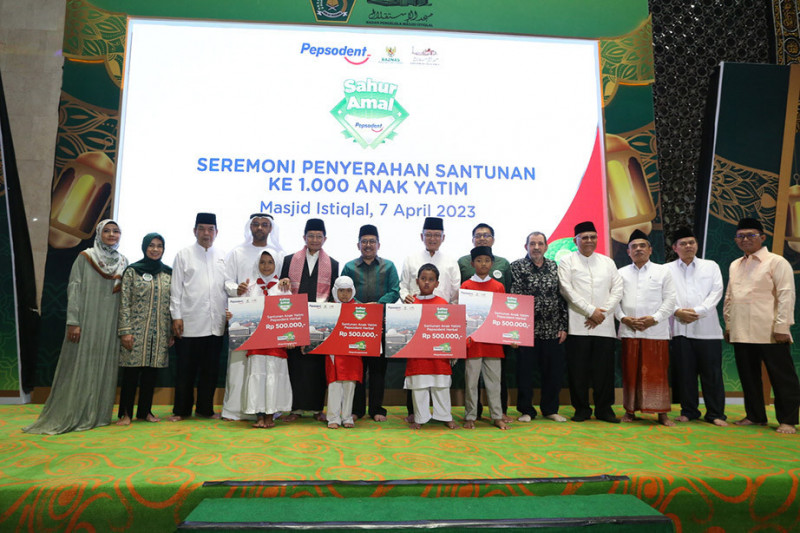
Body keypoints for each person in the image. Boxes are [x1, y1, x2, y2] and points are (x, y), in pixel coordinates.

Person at [24, 219, 128, 434]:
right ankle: (73, 412)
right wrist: (74, 322)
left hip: (109, 323)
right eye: (106, 231)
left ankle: (97, 414)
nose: (111, 235)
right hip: (86, 319)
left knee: (103, 364)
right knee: (80, 364)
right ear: (98, 234)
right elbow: (74, 289)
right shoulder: (86, 257)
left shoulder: (123, 261)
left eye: (115, 231)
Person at [724, 217, 800, 434]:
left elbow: (786, 295)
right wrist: (729, 325)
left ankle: (788, 420)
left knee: (782, 377)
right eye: (741, 236)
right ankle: (755, 416)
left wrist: (782, 326)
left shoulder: (776, 262)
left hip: (769, 330)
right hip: (741, 330)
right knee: (748, 376)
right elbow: (730, 297)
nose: (745, 239)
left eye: (751, 235)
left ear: (762, 237)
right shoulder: (735, 264)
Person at [557, 221, 623, 423]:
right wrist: (589, 311)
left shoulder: (607, 262)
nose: (589, 241)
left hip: (603, 325)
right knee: (578, 371)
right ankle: (582, 409)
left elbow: (617, 289)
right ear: (575, 240)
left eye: (592, 237)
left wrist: (600, 312)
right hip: (578, 325)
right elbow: (566, 290)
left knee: (604, 371)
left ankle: (604, 409)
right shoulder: (567, 261)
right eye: (584, 237)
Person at [221, 213, 284, 421]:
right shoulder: (237, 252)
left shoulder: (280, 254)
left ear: (270, 228)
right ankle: (235, 410)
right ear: (250, 227)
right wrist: (236, 289)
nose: (260, 228)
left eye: (264, 225)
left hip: (270, 329)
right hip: (244, 318)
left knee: (268, 369)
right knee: (238, 366)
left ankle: (267, 409)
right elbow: (227, 281)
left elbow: (282, 286)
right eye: (256, 224)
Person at [168, 212, 227, 422]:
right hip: (190, 323)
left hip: (215, 324)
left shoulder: (222, 256)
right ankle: (181, 410)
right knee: (186, 370)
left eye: (210, 229)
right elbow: (176, 289)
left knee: (210, 371)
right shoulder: (183, 254)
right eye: (202, 229)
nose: (206, 233)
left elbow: (227, 287)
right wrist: (176, 316)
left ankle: (205, 409)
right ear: (194, 231)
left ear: (216, 232)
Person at [279, 218, 339, 421]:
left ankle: (316, 409)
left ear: (325, 239)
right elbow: (281, 291)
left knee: (317, 365)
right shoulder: (289, 260)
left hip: (320, 321)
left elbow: (335, 295)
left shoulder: (333, 264)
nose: (314, 239)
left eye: (318, 236)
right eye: (311, 236)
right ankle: (295, 409)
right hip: (295, 319)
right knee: (295, 364)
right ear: (304, 237)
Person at [667, 227, 727, 426]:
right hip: (679, 329)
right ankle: (689, 411)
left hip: (707, 330)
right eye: (683, 244)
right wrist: (677, 311)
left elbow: (717, 292)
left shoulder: (711, 266)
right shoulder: (666, 270)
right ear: (675, 248)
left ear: (697, 245)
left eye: (691, 242)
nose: (688, 246)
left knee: (712, 375)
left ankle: (716, 413)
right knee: (685, 374)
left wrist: (697, 311)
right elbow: (663, 296)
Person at [616, 229, 676, 426]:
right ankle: (630, 411)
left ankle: (662, 413)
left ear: (650, 250)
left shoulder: (663, 271)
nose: (638, 249)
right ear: (628, 252)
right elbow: (613, 301)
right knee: (630, 372)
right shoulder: (621, 273)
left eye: (642, 246)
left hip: (656, 332)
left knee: (657, 374)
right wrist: (624, 318)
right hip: (629, 331)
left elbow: (670, 300)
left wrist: (655, 318)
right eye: (634, 247)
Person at [341, 224, 400, 422]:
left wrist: (376, 305)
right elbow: (343, 291)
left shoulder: (389, 266)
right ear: (358, 244)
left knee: (377, 370)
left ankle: (376, 409)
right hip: (356, 325)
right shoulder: (349, 267)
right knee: (357, 369)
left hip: (381, 324)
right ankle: (356, 409)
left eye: (372, 242)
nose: (368, 245)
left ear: (378, 244)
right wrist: (361, 307)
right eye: (364, 241)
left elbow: (395, 291)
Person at [510, 232, 569, 423]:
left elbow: (561, 297)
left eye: (540, 244)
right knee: (525, 372)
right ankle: (526, 410)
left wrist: (563, 325)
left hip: (552, 329)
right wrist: (515, 332)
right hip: (526, 330)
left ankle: (550, 409)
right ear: (525, 246)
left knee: (553, 372)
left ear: (546, 247)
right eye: (532, 243)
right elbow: (514, 299)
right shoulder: (517, 267)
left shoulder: (553, 266)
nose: (536, 247)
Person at [116, 233, 172, 426]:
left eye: (159, 246)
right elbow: (124, 302)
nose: (155, 249)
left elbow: (172, 304)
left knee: (151, 375)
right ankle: (125, 414)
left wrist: (171, 331)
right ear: (144, 247)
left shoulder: (168, 273)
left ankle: (145, 412)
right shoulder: (133, 271)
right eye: (151, 246)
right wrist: (125, 330)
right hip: (135, 332)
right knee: (130, 375)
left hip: (159, 332)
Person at [457, 223, 512, 419]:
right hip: (473, 342)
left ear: (492, 263)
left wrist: (510, 336)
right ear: (472, 263)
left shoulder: (498, 286)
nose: (483, 264)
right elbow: (463, 315)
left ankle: (497, 415)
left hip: (494, 342)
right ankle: (471, 416)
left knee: (494, 381)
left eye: (487, 260)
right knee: (471, 382)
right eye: (479, 260)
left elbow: (505, 315)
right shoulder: (466, 285)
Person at [237, 250, 293, 428]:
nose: (266, 266)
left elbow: (291, 314)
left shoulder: (283, 287)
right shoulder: (250, 287)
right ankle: (259, 415)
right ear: (257, 264)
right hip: (256, 343)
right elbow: (241, 312)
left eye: (270, 262)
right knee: (258, 376)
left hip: (277, 344)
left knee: (273, 377)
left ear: (276, 264)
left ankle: (271, 415)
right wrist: (233, 314)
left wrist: (292, 337)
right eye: (262, 262)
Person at [404, 264, 458, 430]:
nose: (426, 283)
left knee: (441, 386)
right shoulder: (410, 302)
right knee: (419, 387)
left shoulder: (443, 303)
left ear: (437, 283)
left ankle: (445, 416)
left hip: (439, 357)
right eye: (423, 279)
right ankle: (420, 417)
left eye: (431, 280)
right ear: (417, 281)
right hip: (417, 356)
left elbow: (451, 331)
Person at [325, 276, 363, 429]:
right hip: (334, 354)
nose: (345, 294)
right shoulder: (328, 309)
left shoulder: (360, 309)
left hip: (352, 354)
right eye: (341, 291)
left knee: (349, 385)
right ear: (335, 291)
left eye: (348, 291)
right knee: (334, 386)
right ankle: (333, 417)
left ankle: (347, 417)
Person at [399, 217, 460, 304]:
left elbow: (456, 293)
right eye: (428, 235)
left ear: (443, 238)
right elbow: (403, 286)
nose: (432, 239)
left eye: (437, 235)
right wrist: (405, 296)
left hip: (442, 313)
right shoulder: (410, 259)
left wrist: (450, 312)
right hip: (415, 310)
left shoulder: (451, 262)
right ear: (421, 236)